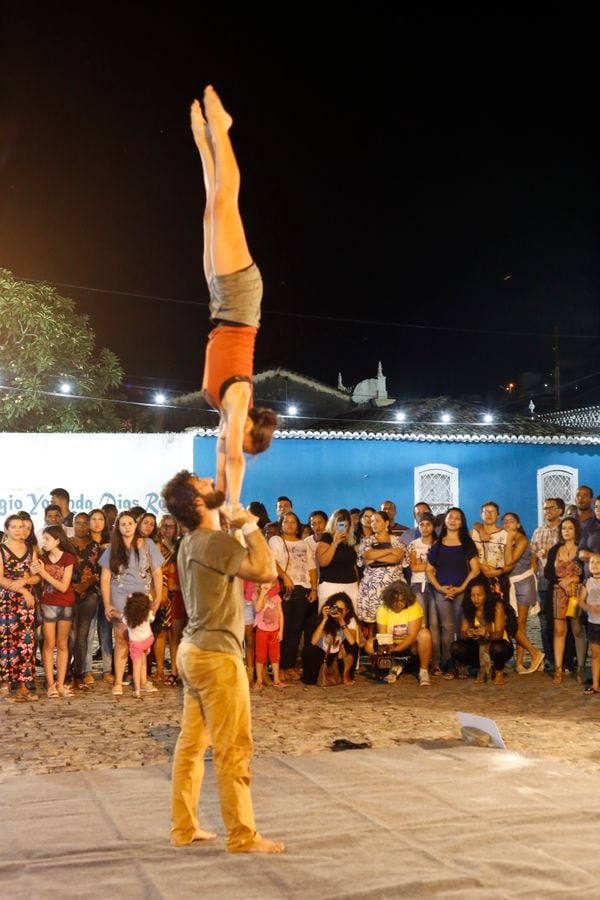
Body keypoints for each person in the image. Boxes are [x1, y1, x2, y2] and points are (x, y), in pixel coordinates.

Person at [161, 469, 284, 854]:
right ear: (197, 503)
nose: (212, 484)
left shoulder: (192, 540)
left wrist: (235, 526)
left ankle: (184, 828)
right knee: (233, 747)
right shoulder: (212, 541)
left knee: (192, 744)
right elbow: (265, 570)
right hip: (216, 657)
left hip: (194, 651)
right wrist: (249, 525)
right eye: (204, 485)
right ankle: (242, 836)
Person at [191, 85, 277, 506]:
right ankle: (221, 130)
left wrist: (218, 494)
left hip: (221, 306)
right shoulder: (239, 397)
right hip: (241, 304)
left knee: (211, 208)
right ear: (250, 429)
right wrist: (233, 506)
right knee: (227, 203)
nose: (233, 440)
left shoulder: (225, 417)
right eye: (243, 441)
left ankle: (205, 144)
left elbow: (223, 456)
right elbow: (234, 460)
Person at [99, 511, 163, 696]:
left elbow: (157, 572)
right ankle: (118, 681)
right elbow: (105, 578)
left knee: (141, 639)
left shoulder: (148, 545)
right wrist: (107, 603)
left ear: (135, 525)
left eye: (130, 523)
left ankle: (141, 680)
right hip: (119, 596)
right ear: (118, 528)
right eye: (123, 524)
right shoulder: (113, 549)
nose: (127, 527)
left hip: (141, 599)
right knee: (121, 639)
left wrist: (158, 597)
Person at [426, 508, 480, 677]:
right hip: (442, 592)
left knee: (461, 627)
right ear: (445, 521)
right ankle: (448, 663)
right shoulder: (438, 544)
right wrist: (440, 588)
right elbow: (429, 570)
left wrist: (462, 587)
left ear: (462, 522)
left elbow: (475, 569)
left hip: (462, 591)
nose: (453, 520)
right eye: (450, 517)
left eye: (457, 518)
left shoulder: (467, 543)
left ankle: (462, 662)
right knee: (447, 628)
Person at [269, 511, 317, 682]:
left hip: (303, 588)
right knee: (284, 628)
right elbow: (273, 561)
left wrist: (313, 588)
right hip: (285, 588)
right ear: (281, 523)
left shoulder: (304, 544)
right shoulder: (276, 540)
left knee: (296, 630)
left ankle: (290, 665)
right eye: (286, 521)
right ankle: (279, 666)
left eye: (293, 522)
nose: (290, 524)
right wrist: (285, 577)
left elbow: (311, 566)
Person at [32, 526, 77, 698]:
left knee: (63, 644)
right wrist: (36, 569)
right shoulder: (42, 558)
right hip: (48, 604)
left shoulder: (68, 558)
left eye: (47, 539)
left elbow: (64, 586)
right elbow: (34, 575)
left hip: (66, 604)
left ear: (57, 540)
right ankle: (50, 684)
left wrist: (43, 572)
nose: (44, 542)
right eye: (43, 539)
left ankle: (61, 683)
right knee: (49, 644)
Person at [0, 515, 40, 702]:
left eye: (21, 526)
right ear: (6, 529)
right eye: (13, 527)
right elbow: (0, 578)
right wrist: (23, 590)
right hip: (6, 601)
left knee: (25, 642)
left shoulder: (32, 550)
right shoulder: (1, 550)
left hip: (26, 604)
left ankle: (23, 684)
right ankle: (5, 685)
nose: (18, 530)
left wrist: (25, 582)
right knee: (7, 642)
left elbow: (36, 576)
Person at [365, 581, 432, 686]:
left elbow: (412, 635)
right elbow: (383, 635)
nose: (398, 604)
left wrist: (397, 649)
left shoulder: (414, 607)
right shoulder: (383, 608)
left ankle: (423, 671)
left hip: (411, 645)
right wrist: (388, 649)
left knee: (424, 634)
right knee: (369, 645)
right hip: (391, 643)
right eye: (394, 601)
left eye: (401, 600)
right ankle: (389, 666)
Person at [503, 511, 545, 675]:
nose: (507, 524)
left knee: (519, 624)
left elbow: (509, 561)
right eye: (505, 522)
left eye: (511, 521)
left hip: (523, 583)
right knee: (512, 623)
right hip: (511, 584)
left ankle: (523, 661)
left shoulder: (521, 540)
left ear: (518, 525)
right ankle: (533, 655)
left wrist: (507, 540)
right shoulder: (504, 539)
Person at [545, 516, 585, 685]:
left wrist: (573, 579)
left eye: (569, 528)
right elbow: (548, 572)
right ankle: (559, 669)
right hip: (558, 595)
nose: (566, 531)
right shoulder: (555, 550)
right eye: (563, 528)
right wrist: (562, 582)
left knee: (576, 629)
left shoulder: (582, 549)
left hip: (575, 595)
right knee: (559, 631)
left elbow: (586, 572)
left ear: (576, 530)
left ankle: (581, 667)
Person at [450, 578, 514, 685]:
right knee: (456, 647)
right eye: (473, 595)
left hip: (498, 644)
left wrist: (486, 633)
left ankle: (499, 670)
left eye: (479, 595)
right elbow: (462, 632)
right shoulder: (468, 607)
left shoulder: (497, 606)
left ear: (486, 594)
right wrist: (468, 634)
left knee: (498, 648)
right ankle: (477, 668)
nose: (476, 599)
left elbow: (499, 633)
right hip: (477, 646)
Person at [356, 510, 408, 640]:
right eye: (372, 521)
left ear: (387, 523)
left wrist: (375, 558)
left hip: (393, 587)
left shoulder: (397, 540)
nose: (373, 523)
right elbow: (367, 556)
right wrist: (390, 551)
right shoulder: (367, 541)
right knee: (372, 624)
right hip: (372, 589)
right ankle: (374, 651)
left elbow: (397, 558)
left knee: (393, 620)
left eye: (377, 521)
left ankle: (390, 651)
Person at [530, 497, 564, 668]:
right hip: (543, 582)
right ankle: (550, 659)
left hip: (561, 583)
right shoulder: (538, 532)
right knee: (545, 623)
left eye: (551, 507)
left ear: (560, 510)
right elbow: (533, 557)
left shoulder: (564, 530)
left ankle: (565, 660)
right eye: (545, 508)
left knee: (562, 623)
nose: (547, 511)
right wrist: (533, 577)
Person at [303, 592, 358, 685]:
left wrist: (341, 621)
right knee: (309, 650)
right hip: (323, 655)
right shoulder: (325, 618)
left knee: (352, 645)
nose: (337, 611)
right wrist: (324, 619)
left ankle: (346, 674)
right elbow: (313, 642)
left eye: (341, 610)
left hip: (337, 657)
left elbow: (352, 642)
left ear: (347, 611)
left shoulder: (350, 620)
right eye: (335, 608)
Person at [252, 580, 286, 689]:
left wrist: (281, 631)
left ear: (273, 585)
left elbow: (281, 615)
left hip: (274, 630)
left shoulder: (276, 597)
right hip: (262, 630)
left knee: (275, 656)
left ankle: (276, 679)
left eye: (269, 583)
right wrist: (262, 594)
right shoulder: (256, 595)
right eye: (264, 582)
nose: (267, 585)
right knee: (260, 656)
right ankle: (259, 680)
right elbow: (257, 609)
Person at [123, 592, 155, 700]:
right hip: (148, 639)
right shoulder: (147, 614)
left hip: (136, 644)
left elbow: (122, 618)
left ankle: (137, 690)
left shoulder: (128, 618)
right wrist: (149, 599)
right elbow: (152, 609)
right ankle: (144, 679)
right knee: (143, 662)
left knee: (136, 667)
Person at [578, 553, 600, 695]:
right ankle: (595, 684)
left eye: (598, 562)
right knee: (595, 654)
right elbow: (581, 600)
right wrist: (588, 608)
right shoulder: (587, 582)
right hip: (593, 623)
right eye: (592, 562)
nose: (595, 565)